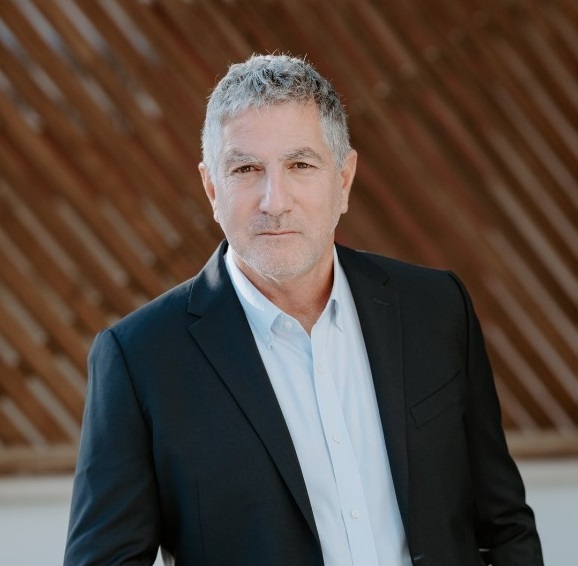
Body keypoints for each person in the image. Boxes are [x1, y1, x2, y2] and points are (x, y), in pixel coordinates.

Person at [64, 54, 543, 566]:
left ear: (343, 180)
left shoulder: (437, 309)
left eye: (300, 165)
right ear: (211, 188)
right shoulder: (140, 359)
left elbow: (504, 525)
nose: (275, 201)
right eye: (246, 169)